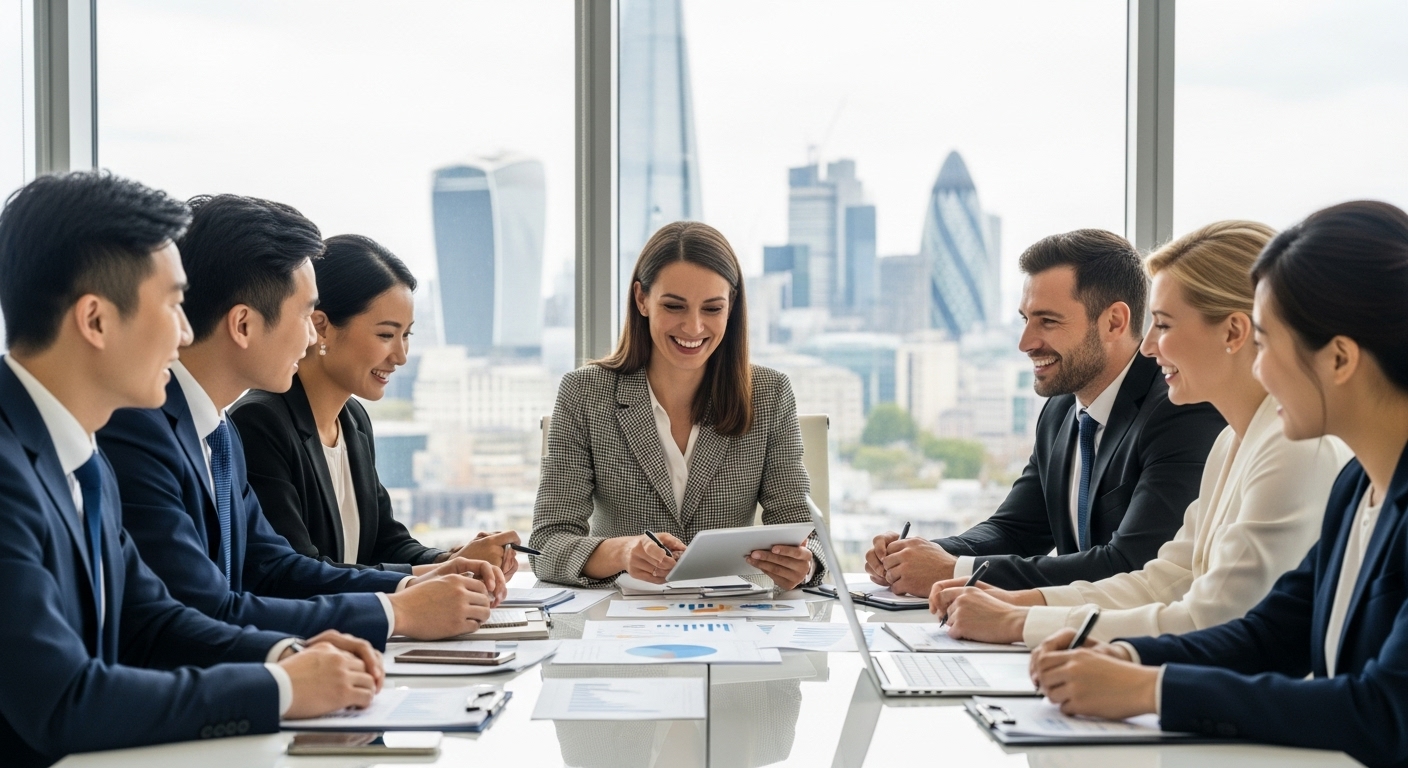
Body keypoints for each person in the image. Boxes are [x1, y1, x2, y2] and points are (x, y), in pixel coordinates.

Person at [0, 172, 381, 767]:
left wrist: (284, 655)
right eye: (174, 305)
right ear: (96, 320)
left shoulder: (81, 455)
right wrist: (281, 689)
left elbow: (151, 620)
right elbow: (61, 698)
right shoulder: (9, 471)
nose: (184, 333)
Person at [1028, 201, 1408, 768]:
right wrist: (1126, 656)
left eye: (1269, 341)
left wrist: (1150, 691)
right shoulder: (1358, 487)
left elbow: (1384, 711)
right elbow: (1267, 633)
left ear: (1340, 358)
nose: (1258, 367)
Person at [98, 194, 504, 648]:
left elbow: (273, 566)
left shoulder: (219, 431)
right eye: (304, 316)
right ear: (244, 325)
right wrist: (397, 611)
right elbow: (207, 610)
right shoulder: (141, 431)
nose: (313, 334)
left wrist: (409, 587)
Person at [930, 221, 1351, 646]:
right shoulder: (1231, 443)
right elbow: (1160, 582)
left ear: (1234, 332)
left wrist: (1018, 623)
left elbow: (1214, 616)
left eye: (1163, 325)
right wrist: (1018, 604)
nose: (1147, 346)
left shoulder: (1289, 446)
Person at [866, 229, 1226, 595]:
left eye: (1048, 321)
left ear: (1114, 322)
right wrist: (917, 556)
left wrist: (954, 569)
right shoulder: (1060, 411)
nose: (1025, 343)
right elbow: (1015, 531)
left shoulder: (1180, 410)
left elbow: (1131, 565)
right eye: (1025, 319)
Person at [529, 221, 823, 590]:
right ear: (642, 300)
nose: (694, 327)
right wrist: (622, 552)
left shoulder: (769, 393)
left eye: (712, 309)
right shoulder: (584, 393)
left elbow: (806, 532)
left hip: (736, 619)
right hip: (622, 620)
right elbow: (547, 544)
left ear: (731, 308)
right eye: (674, 306)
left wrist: (805, 566)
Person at [228, 234, 521, 577]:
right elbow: (296, 572)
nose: (400, 356)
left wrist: (452, 562)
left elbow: (387, 542)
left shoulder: (353, 419)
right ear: (321, 327)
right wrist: (431, 577)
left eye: (407, 335)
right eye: (385, 335)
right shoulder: (259, 422)